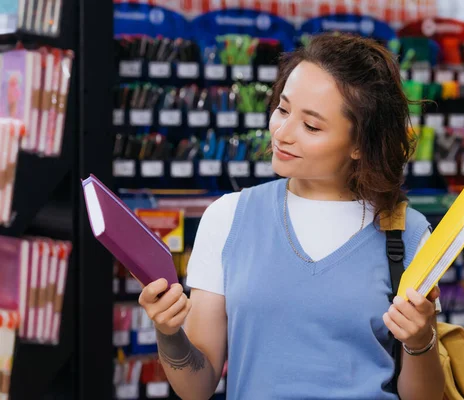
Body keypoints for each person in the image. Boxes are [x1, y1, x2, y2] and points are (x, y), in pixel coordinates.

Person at [138, 33, 445, 400]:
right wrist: (168, 332)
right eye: (282, 110)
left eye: (311, 126)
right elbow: (196, 387)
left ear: (361, 144)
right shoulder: (227, 218)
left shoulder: (408, 234)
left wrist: (420, 339)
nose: (281, 133)